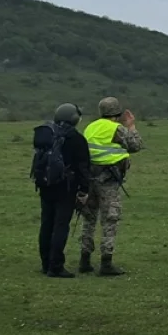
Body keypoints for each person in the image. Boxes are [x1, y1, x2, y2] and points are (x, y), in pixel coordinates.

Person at [78, 96, 143, 275]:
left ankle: (84, 260)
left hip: (89, 180)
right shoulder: (117, 129)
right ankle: (106, 262)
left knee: (89, 220)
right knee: (110, 220)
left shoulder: (90, 127)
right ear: (117, 113)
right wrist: (131, 126)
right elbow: (136, 146)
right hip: (108, 181)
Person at [33, 103, 91, 278]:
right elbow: (83, 167)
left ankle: (45, 263)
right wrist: (84, 190)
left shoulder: (47, 133)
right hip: (66, 187)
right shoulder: (76, 138)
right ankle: (56, 266)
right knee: (60, 225)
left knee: (46, 224)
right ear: (74, 118)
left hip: (45, 185)